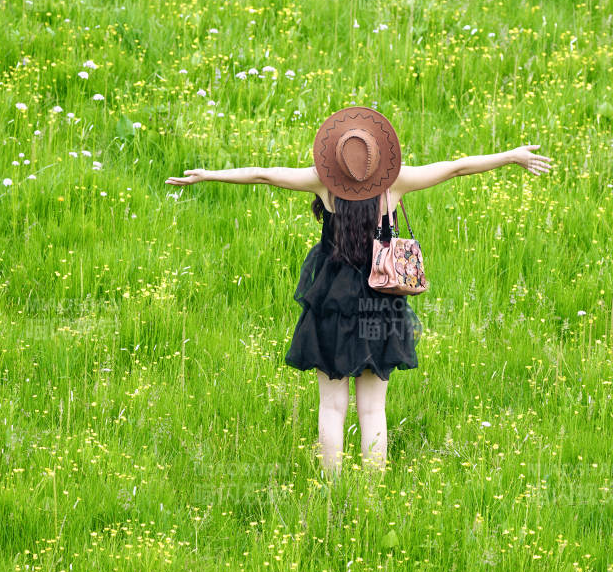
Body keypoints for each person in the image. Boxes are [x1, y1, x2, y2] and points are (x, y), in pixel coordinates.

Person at [165, 106, 552, 479]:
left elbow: (263, 175)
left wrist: (208, 175)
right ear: (378, 158)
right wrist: (511, 156)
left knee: (332, 407)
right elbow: (457, 167)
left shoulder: (322, 182)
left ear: (335, 160)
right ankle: (370, 493)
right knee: (372, 410)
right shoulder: (395, 184)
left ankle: (332, 489)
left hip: (330, 303)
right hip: (380, 304)